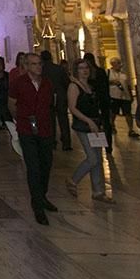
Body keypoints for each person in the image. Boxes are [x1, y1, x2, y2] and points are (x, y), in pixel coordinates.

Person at [7, 53, 58, 225]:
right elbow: (12, 104)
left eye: (39, 64)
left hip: (44, 129)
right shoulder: (18, 83)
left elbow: (51, 105)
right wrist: (22, 120)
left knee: (46, 164)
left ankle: (42, 196)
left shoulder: (47, 83)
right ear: (27, 66)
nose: (38, 67)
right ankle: (37, 205)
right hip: (26, 129)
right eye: (34, 64)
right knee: (33, 167)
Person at [66, 59, 114, 204]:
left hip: (95, 124)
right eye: (81, 68)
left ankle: (98, 191)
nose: (84, 71)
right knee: (92, 157)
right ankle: (73, 180)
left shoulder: (90, 86)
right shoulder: (74, 87)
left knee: (98, 158)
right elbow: (73, 108)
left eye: (86, 67)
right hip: (83, 125)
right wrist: (88, 121)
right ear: (76, 70)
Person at [41, 50, 71, 151]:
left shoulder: (41, 70)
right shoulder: (59, 69)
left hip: (47, 96)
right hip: (60, 95)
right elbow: (66, 82)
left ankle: (52, 141)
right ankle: (66, 142)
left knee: (50, 120)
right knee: (63, 119)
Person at [84, 52, 112, 155]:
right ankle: (106, 146)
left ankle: (100, 145)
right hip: (102, 101)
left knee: (100, 124)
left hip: (96, 102)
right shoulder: (99, 72)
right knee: (104, 124)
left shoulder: (92, 74)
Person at [108, 58, 140, 138]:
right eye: (118, 63)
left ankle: (131, 129)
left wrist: (130, 96)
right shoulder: (108, 73)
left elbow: (128, 85)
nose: (120, 65)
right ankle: (112, 126)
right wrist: (112, 82)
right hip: (114, 96)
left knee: (127, 113)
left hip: (125, 97)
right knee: (113, 112)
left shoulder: (123, 74)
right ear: (113, 64)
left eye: (120, 63)